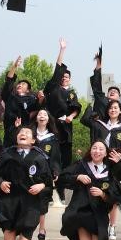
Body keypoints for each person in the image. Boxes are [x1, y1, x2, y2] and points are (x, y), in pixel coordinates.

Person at [0, 126, 53, 240]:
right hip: (9, 202)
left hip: (29, 204)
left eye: (27, 133)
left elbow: (49, 184)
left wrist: (41, 186)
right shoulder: (7, 154)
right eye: (21, 132)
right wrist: (0, 183)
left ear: (33, 140)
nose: (23, 134)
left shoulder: (39, 157)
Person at [59, 141, 121, 240]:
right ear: (90, 151)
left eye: (101, 149)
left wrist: (103, 194)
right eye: (94, 148)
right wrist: (77, 177)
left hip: (99, 214)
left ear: (105, 153)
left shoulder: (110, 170)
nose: (97, 151)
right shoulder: (81, 165)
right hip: (82, 213)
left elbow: (117, 195)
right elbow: (62, 178)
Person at [82, 96, 121, 240]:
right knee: (98, 193)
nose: (113, 110)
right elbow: (85, 120)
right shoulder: (99, 124)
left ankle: (112, 226)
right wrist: (91, 107)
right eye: (110, 108)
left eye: (116, 108)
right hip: (100, 162)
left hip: (115, 164)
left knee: (113, 196)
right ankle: (99, 224)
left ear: (120, 111)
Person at [43, 38, 82, 171]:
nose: (64, 78)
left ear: (69, 79)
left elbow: (76, 108)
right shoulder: (53, 87)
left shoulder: (72, 93)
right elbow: (58, 68)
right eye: (62, 76)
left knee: (65, 154)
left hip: (65, 126)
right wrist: (62, 50)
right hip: (52, 124)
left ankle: (64, 177)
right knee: (49, 150)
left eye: (66, 77)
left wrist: (71, 116)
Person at [32, 109, 61, 240]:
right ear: (36, 118)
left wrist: (56, 171)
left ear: (48, 119)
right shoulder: (30, 134)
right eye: (40, 114)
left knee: (42, 202)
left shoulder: (52, 137)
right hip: (30, 172)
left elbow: (55, 157)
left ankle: (42, 229)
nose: (42, 116)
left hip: (45, 174)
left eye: (44, 114)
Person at [1, 56, 41, 147]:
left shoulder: (31, 99)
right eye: (19, 84)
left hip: (23, 132)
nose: (19, 85)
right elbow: (8, 82)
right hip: (9, 132)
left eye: (23, 84)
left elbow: (38, 108)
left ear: (28, 90)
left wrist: (40, 98)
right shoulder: (10, 97)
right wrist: (14, 67)